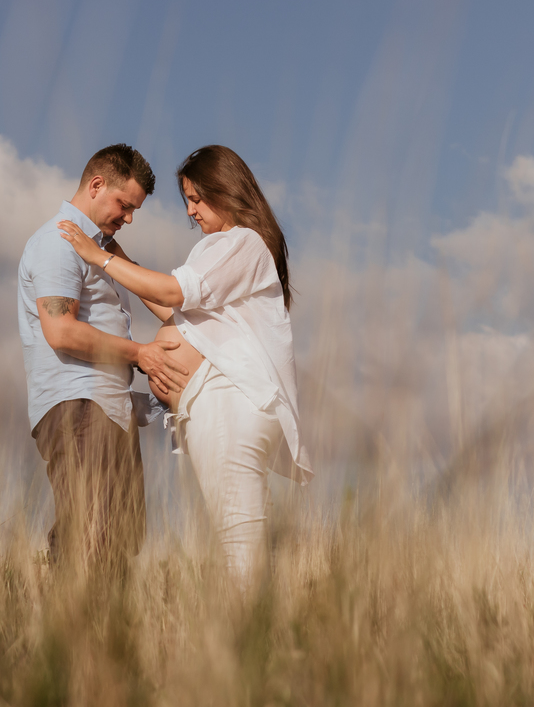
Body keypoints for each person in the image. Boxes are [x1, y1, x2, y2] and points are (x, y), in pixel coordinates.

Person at [58, 145, 313, 585]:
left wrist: (99, 256)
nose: (191, 212)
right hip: (214, 407)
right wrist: (126, 262)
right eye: (187, 202)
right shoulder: (222, 249)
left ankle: (249, 645)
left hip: (228, 405)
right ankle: (257, 638)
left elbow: (175, 293)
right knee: (241, 542)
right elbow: (177, 315)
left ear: (225, 190)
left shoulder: (243, 242)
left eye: (196, 199)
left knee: (240, 549)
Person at [18, 143, 188, 572]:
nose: (128, 218)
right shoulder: (59, 243)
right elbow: (61, 331)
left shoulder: (98, 249)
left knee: (118, 540)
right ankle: (71, 635)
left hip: (104, 410)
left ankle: (105, 635)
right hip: (78, 409)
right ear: (96, 185)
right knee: (91, 534)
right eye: (124, 205)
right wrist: (141, 355)